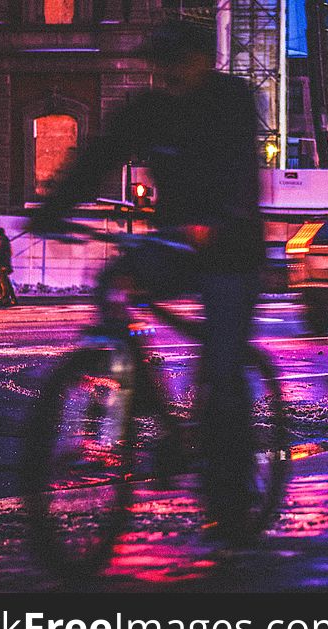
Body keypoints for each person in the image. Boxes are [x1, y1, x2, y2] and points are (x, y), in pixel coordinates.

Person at [27, 21, 265, 540]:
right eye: (163, 64)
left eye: (178, 62)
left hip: (231, 245)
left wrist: (223, 217)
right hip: (175, 242)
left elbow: (240, 169)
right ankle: (143, 395)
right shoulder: (149, 111)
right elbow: (97, 157)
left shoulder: (231, 100)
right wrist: (53, 208)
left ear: (204, 60)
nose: (169, 73)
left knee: (221, 370)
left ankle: (232, 499)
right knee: (112, 282)